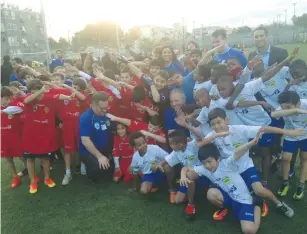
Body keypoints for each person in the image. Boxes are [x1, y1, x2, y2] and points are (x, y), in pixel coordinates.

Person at [198, 108, 299, 218]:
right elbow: (200, 145)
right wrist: (214, 136)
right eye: (213, 124)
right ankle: (227, 207)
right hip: (228, 170)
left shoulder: (239, 130)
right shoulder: (213, 135)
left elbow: (263, 129)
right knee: (213, 195)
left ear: (226, 120)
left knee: (259, 190)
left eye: (219, 122)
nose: (217, 127)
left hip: (245, 167)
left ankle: (278, 203)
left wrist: (287, 132)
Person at [272, 91, 307, 200]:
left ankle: (301, 185)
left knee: (304, 159)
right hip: (290, 135)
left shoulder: (305, 104)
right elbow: (273, 114)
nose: (286, 110)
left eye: (288, 107)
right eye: (284, 108)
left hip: (305, 135)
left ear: (299, 103)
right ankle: (285, 182)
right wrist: (295, 110)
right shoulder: (284, 108)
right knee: (286, 158)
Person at [79, 92, 114, 182]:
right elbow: (85, 140)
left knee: (111, 171)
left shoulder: (107, 114)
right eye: (102, 108)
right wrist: (99, 156)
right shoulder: (86, 117)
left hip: (105, 149)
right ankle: (87, 164)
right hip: (89, 152)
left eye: (106, 107)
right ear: (93, 105)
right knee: (98, 172)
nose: (105, 110)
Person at [1, 86, 26, 188]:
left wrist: (3, 111)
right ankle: (15, 177)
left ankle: (28, 169)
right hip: (3, 136)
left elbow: (18, 109)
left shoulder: (15, 105)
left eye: (10, 98)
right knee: (8, 158)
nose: (8, 101)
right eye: (5, 99)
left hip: (16, 135)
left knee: (22, 156)